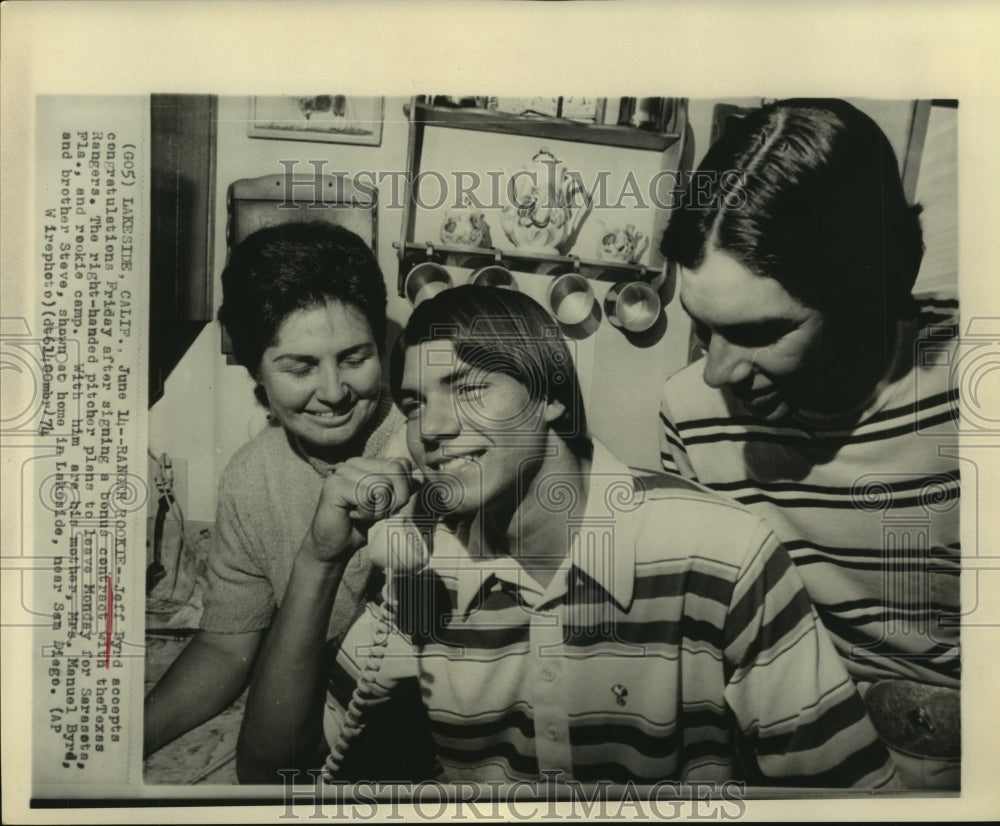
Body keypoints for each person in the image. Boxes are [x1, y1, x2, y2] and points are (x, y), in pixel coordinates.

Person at [247, 284, 898, 788]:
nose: (430, 430)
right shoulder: (424, 567)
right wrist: (320, 558)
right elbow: (274, 771)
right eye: (414, 405)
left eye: (467, 388)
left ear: (551, 396)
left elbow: (842, 792)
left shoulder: (721, 552)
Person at [656, 99, 960, 788]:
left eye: (762, 332)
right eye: (702, 326)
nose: (716, 372)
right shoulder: (689, 411)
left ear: (867, 291)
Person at [143, 221, 408, 769]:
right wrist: (121, 746)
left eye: (355, 358)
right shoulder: (250, 477)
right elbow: (225, 645)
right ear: (255, 371)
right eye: (301, 367)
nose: (334, 393)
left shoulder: (426, 440)